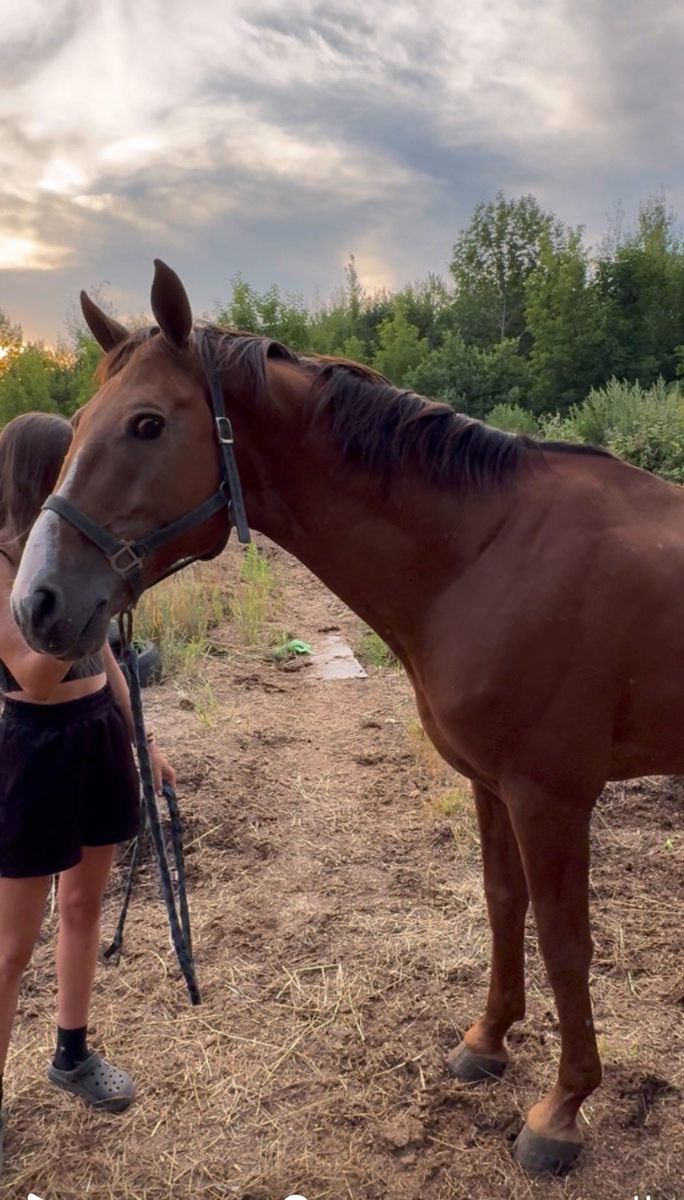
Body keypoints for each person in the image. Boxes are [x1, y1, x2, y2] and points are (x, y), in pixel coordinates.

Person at [0, 412, 175, 1167]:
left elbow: (103, 657)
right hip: (32, 751)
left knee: (82, 906)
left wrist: (145, 741)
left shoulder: (71, 557)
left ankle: (71, 1054)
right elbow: (31, 674)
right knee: (9, 947)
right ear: (37, 477)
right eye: (66, 468)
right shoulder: (7, 563)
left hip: (97, 733)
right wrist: (80, 600)